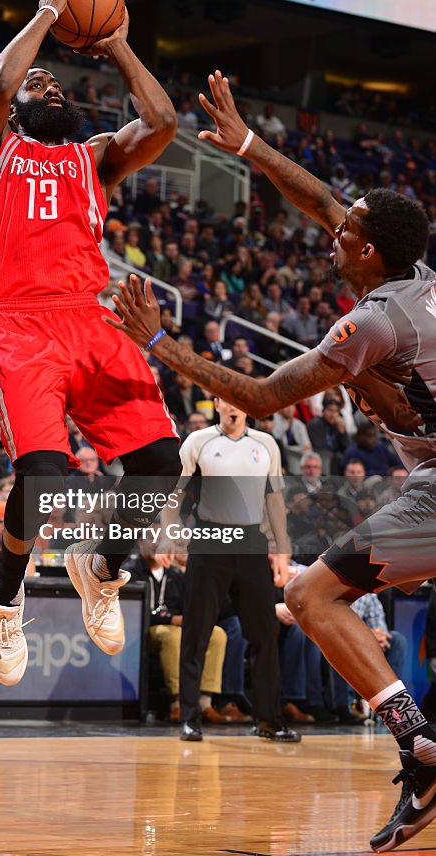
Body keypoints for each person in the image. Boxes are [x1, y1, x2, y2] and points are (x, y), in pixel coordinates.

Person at [110, 69, 436, 853]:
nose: (331, 235)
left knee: (314, 595)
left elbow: (258, 398)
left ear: (367, 252)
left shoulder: (373, 323)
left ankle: (420, 747)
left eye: (344, 235)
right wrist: (250, 145)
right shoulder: (413, 275)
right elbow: (325, 200)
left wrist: (160, 345)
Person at [0, 0, 180, 686]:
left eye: (57, 86)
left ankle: (100, 565)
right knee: (45, 476)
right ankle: (5, 597)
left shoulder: (94, 160)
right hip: (18, 328)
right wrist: (47, 15)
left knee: (159, 465)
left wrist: (117, 43)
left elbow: (162, 123)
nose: (49, 89)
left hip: (91, 324)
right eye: (40, 87)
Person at [161, 397, 299, 743]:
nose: (234, 407)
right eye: (227, 400)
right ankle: (190, 718)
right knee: (197, 631)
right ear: (217, 404)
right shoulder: (198, 441)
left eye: (241, 399)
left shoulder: (266, 444)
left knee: (265, 634)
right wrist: (168, 534)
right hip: (209, 539)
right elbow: (174, 495)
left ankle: (268, 719)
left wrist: (282, 548)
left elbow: (275, 501)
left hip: (252, 542)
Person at [124, 540, 227, 724]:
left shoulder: (175, 574)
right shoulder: (130, 571)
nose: (156, 543)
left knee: (217, 634)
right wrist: (171, 619)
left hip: (178, 625)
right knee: (172, 635)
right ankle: (177, 702)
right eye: (151, 537)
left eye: (160, 537)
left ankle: (205, 703)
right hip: (145, 629)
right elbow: (131, 610)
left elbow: (190, 606)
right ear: (140, 543)